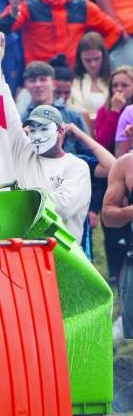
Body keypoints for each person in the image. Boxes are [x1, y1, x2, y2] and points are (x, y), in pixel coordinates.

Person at [9, 104, 114, 241]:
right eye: (33, 130)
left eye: (44, 129)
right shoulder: (24, 153)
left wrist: (80, 134)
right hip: (24, 246)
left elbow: (62, 208)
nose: (38, 136)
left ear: (61, 130)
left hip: (60, 250)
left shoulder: (77, 166)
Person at [98, 67, 133, 281]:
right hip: (113, 171)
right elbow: (103, 142)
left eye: (124, 85)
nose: (119, 90)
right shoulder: (114, 111)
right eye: (115, 86)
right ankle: (113, 273)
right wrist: (114, 112)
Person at [19, 61, 90, 156]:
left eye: (43, 79)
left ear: (54, 84)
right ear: (25, 86)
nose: (38, 84)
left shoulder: (73, 115)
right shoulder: (21, 120)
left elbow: (88, 153)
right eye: (32, 80)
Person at [71, 31, 113, 121]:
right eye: (88, 60)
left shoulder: (115, 80)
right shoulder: (72, 82)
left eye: (97, 59)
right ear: (80, 59)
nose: (93, 64)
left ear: (104, 57)